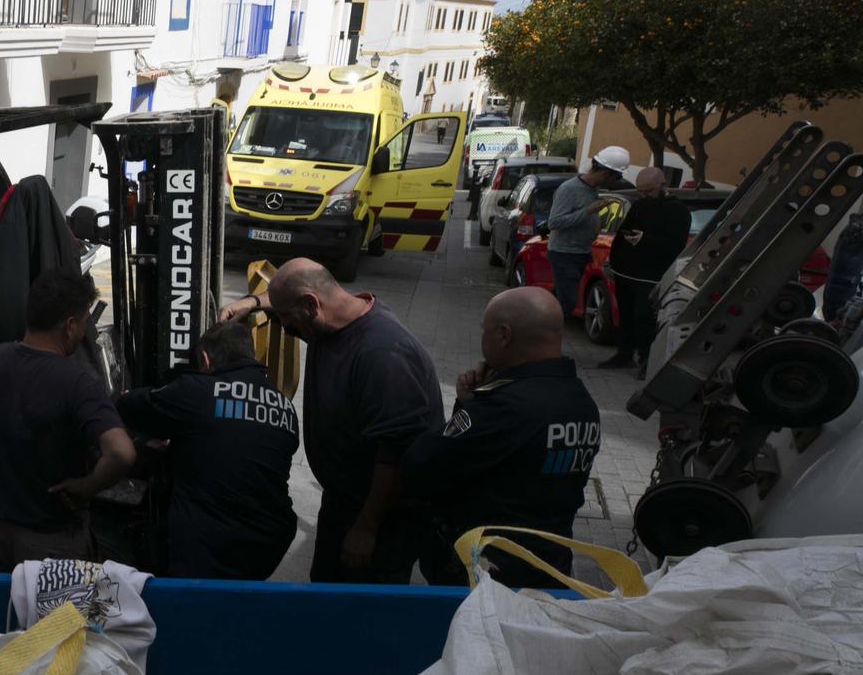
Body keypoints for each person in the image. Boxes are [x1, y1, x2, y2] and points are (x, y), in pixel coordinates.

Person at [221, 259, 443, 583]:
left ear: (311, 306)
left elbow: (398, 453)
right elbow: (296, 298)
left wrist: (366, 528)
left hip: (381, 516)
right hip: (344, 500)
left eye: (286, 318)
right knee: (324, 584)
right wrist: (254, 302)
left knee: (357, 608)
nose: (282, 326)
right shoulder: (335, 319)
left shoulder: (382, 354)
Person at [0, 269, 136, 571]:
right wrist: (88, 486)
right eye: (85, 323)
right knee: (56, 621)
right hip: (54, 543)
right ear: (70, 326)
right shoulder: (78, 383)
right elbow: (121, 452)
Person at [402, 287, 601, 587]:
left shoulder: (502, 408)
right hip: (550, 567)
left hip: (486, 576)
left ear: (504, 335)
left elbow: (419, 467)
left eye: (485, 330)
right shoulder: (581, 402)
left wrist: (467, 409)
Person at [116, 320, 298, 579]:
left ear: (205, 359)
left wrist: (123, 396)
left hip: (208, 538)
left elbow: (133, 406)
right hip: (269, 539)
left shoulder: (197, 391)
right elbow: (239, 445)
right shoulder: (284, 405)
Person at [600, 167, 691, 370]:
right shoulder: (640, 204)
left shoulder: (677, 210)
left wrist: (644, 239)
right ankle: (624, 354)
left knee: (644, 318)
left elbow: (675, 244)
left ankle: (646, 359)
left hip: (651, 276)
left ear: (662, 185)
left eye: (648, 191)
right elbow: (622, 233)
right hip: (626, 272)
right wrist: (613, 262)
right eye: (640, 191)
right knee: (626, 315)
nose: (643, 195)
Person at [545, 147, 631, 318]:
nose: (617, 182)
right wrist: (587, 211)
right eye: (617, 177)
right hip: (564, 253)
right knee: (567, 302)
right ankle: (548, 335)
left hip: (581, 252)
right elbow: (553, 223)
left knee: (561, 299)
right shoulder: (570, 189)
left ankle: (541, 326)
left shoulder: (592, 190)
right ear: (606, 173)